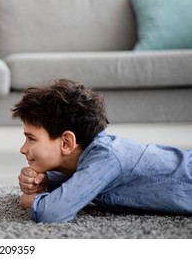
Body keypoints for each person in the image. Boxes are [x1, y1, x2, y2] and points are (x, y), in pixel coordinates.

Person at [12, 78, 192, 223]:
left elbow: (52, 213)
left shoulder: (106, 158)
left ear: (67, 143)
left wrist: (34, 201)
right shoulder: (89, 157)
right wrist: (44, 180)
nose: (23, 148)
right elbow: (77, 179)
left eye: (31, 139)